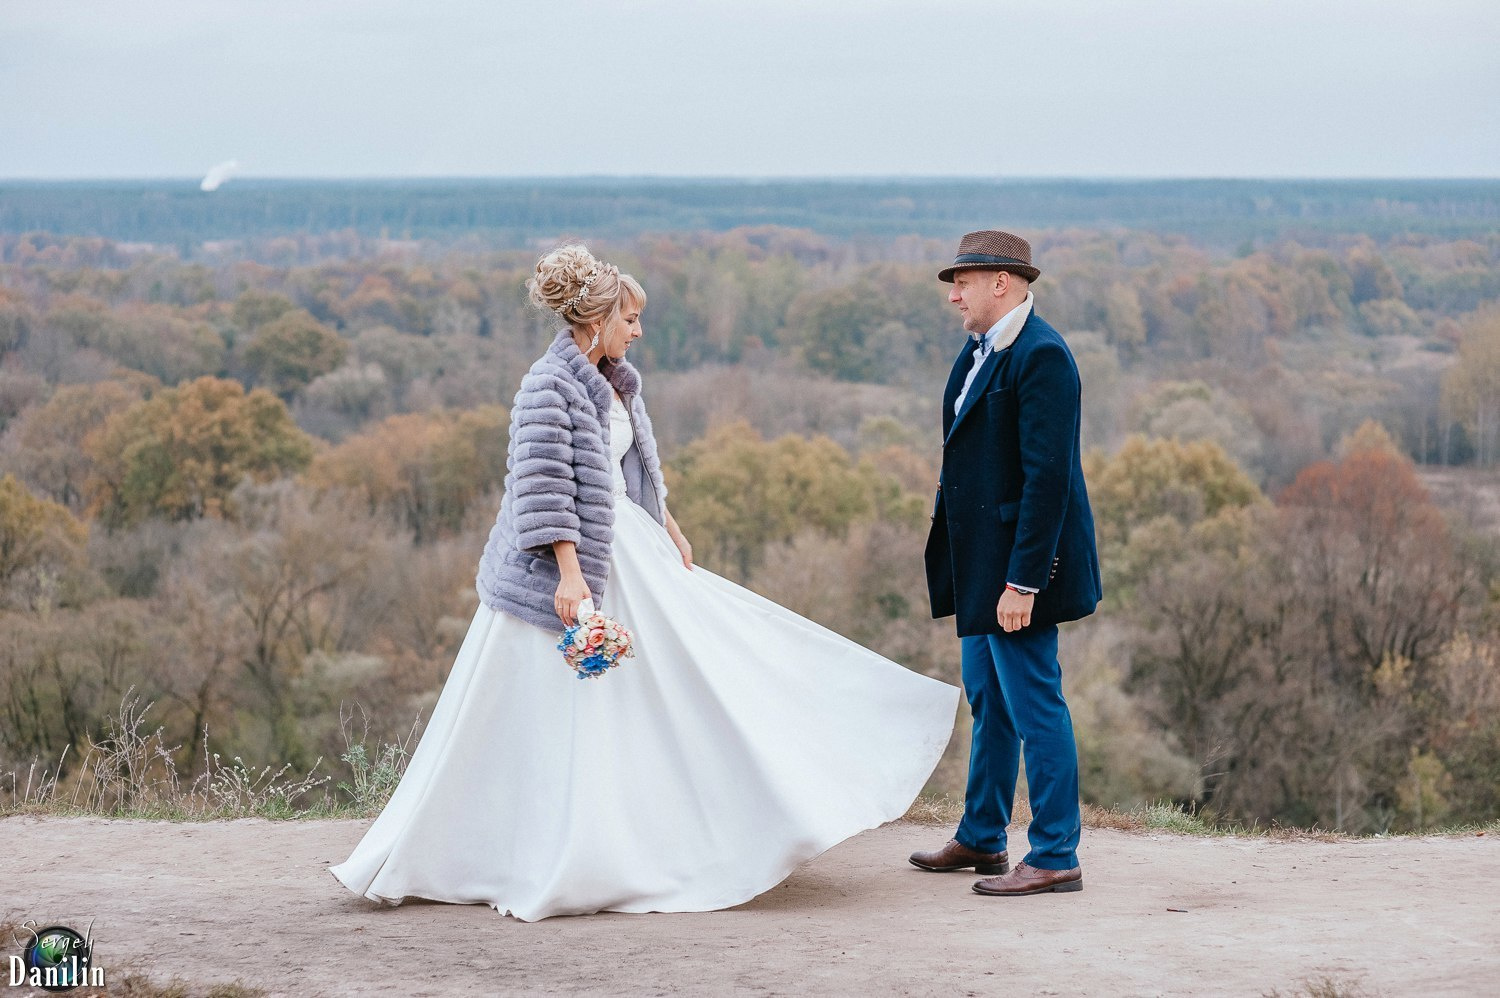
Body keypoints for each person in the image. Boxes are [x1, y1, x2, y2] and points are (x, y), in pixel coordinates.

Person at [329, 244, 959, 921]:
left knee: (689, 678)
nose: (638, 331)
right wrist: (570, 577)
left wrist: (670, 525)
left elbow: (631, 470)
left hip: (631, 546)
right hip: (573, 564)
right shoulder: (546, 386)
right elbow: (542, 489)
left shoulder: (616, 381)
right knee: (556, 708)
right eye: (630, 318)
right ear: (595, 318)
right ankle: (530, 849)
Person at [911, 230, 1102, 897]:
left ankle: (1055, 853)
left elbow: (1048, 481)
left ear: (1002, 282)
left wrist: (1023, 582)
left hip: (1021, 574)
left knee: (1035, 705)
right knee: (989, 702)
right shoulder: (980, 349)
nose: (953, 296)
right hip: (982, 568)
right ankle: (982, 835)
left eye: (962, 282)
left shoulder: (1042, 355)